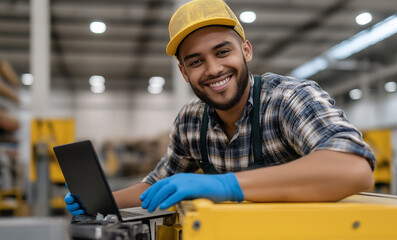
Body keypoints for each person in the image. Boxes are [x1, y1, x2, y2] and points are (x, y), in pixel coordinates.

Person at [65, 0, 376, 215]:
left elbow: (353, 169)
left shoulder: (289, 99)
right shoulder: (190, 120)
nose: (213, 69)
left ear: (246, 50)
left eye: (222, 51)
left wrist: (226, 185)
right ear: (184, 73)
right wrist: (103, 201)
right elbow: (158, 184)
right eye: (196, 61)